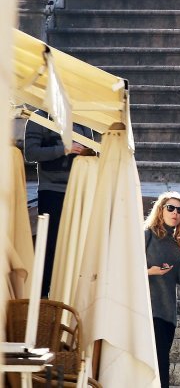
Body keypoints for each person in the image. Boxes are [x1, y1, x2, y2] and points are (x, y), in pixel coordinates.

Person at [23, 111, 95, 297]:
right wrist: (64, 148)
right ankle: (42, 294)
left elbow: (91, 151)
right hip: (51, 191)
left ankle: (71, 294)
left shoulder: (83, 119)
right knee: (50, 244)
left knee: (79, 244)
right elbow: (30, 153)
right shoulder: (38, 118)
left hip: (80, 190)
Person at [144, 191, 180, 388]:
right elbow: (125, 267)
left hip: (166, 314)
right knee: (149, 367)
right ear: (160, 210)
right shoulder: (147, 235)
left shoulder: (178, 244)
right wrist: (149, 271)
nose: (175, 212)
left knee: (161, 366)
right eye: (170, 208)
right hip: (145, 311)